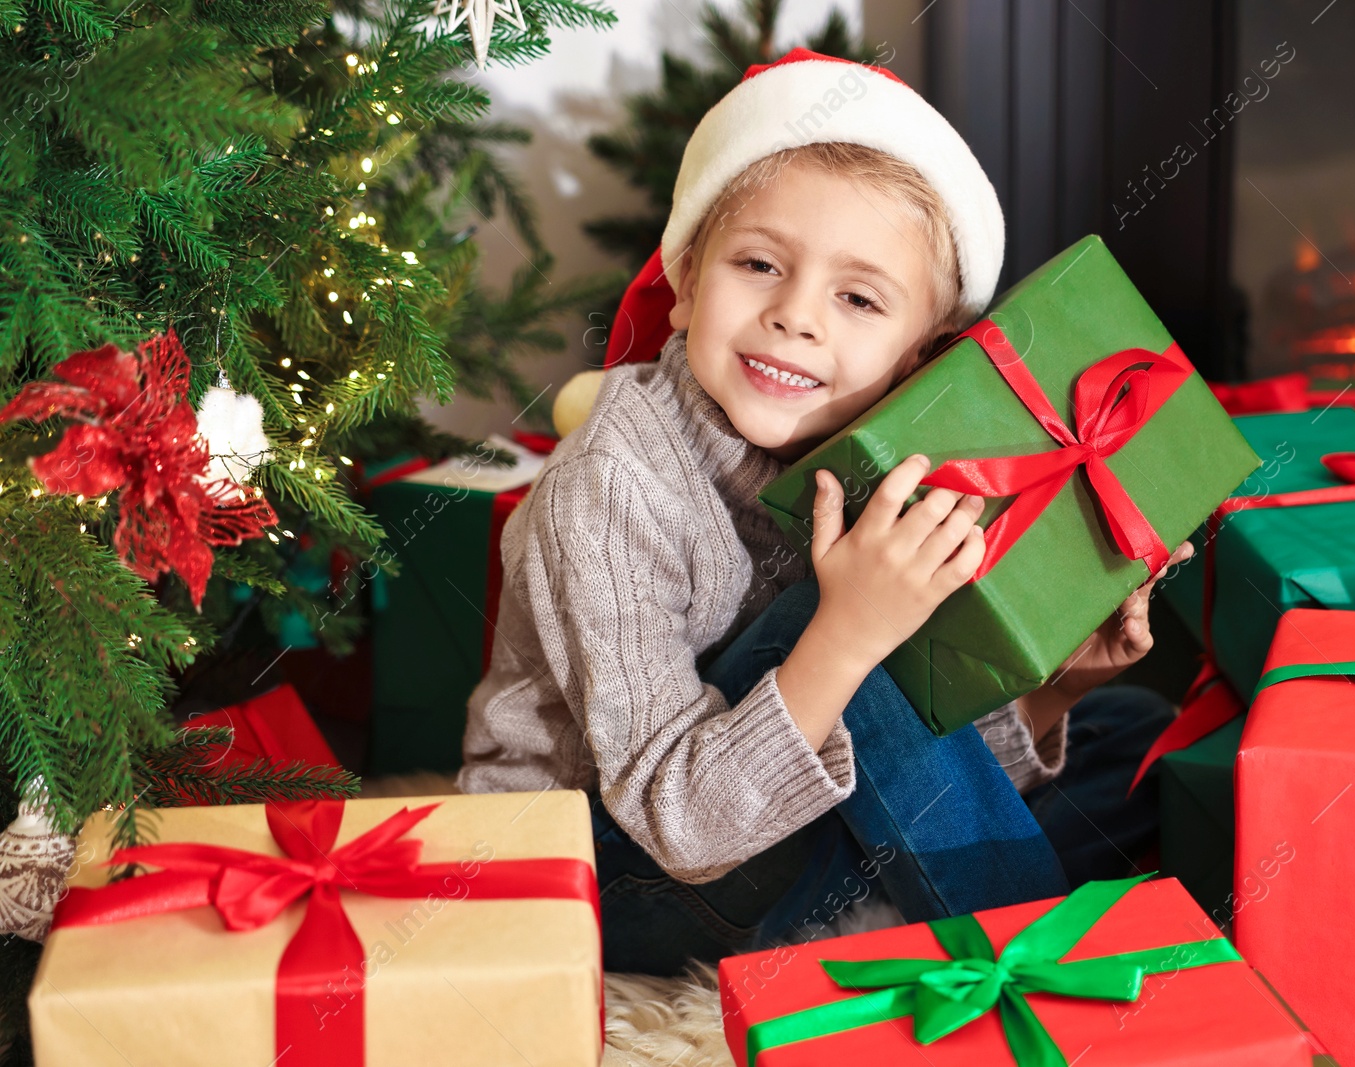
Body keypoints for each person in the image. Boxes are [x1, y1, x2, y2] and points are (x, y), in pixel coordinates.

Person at [458, 49, 1188, 975]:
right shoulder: (613, 481)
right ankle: (1043, 967)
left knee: (1129, 731)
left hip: (780, 825)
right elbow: (684, 829)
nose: (797, 316)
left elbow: (910, 763)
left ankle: (970, 899)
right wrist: (848, 637)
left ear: (923, 359)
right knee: (852, 638)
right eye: (759, 263)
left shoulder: (880, 463)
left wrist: (1054, 688)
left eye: (857, 298)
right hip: (604, 878)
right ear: (685, 281)